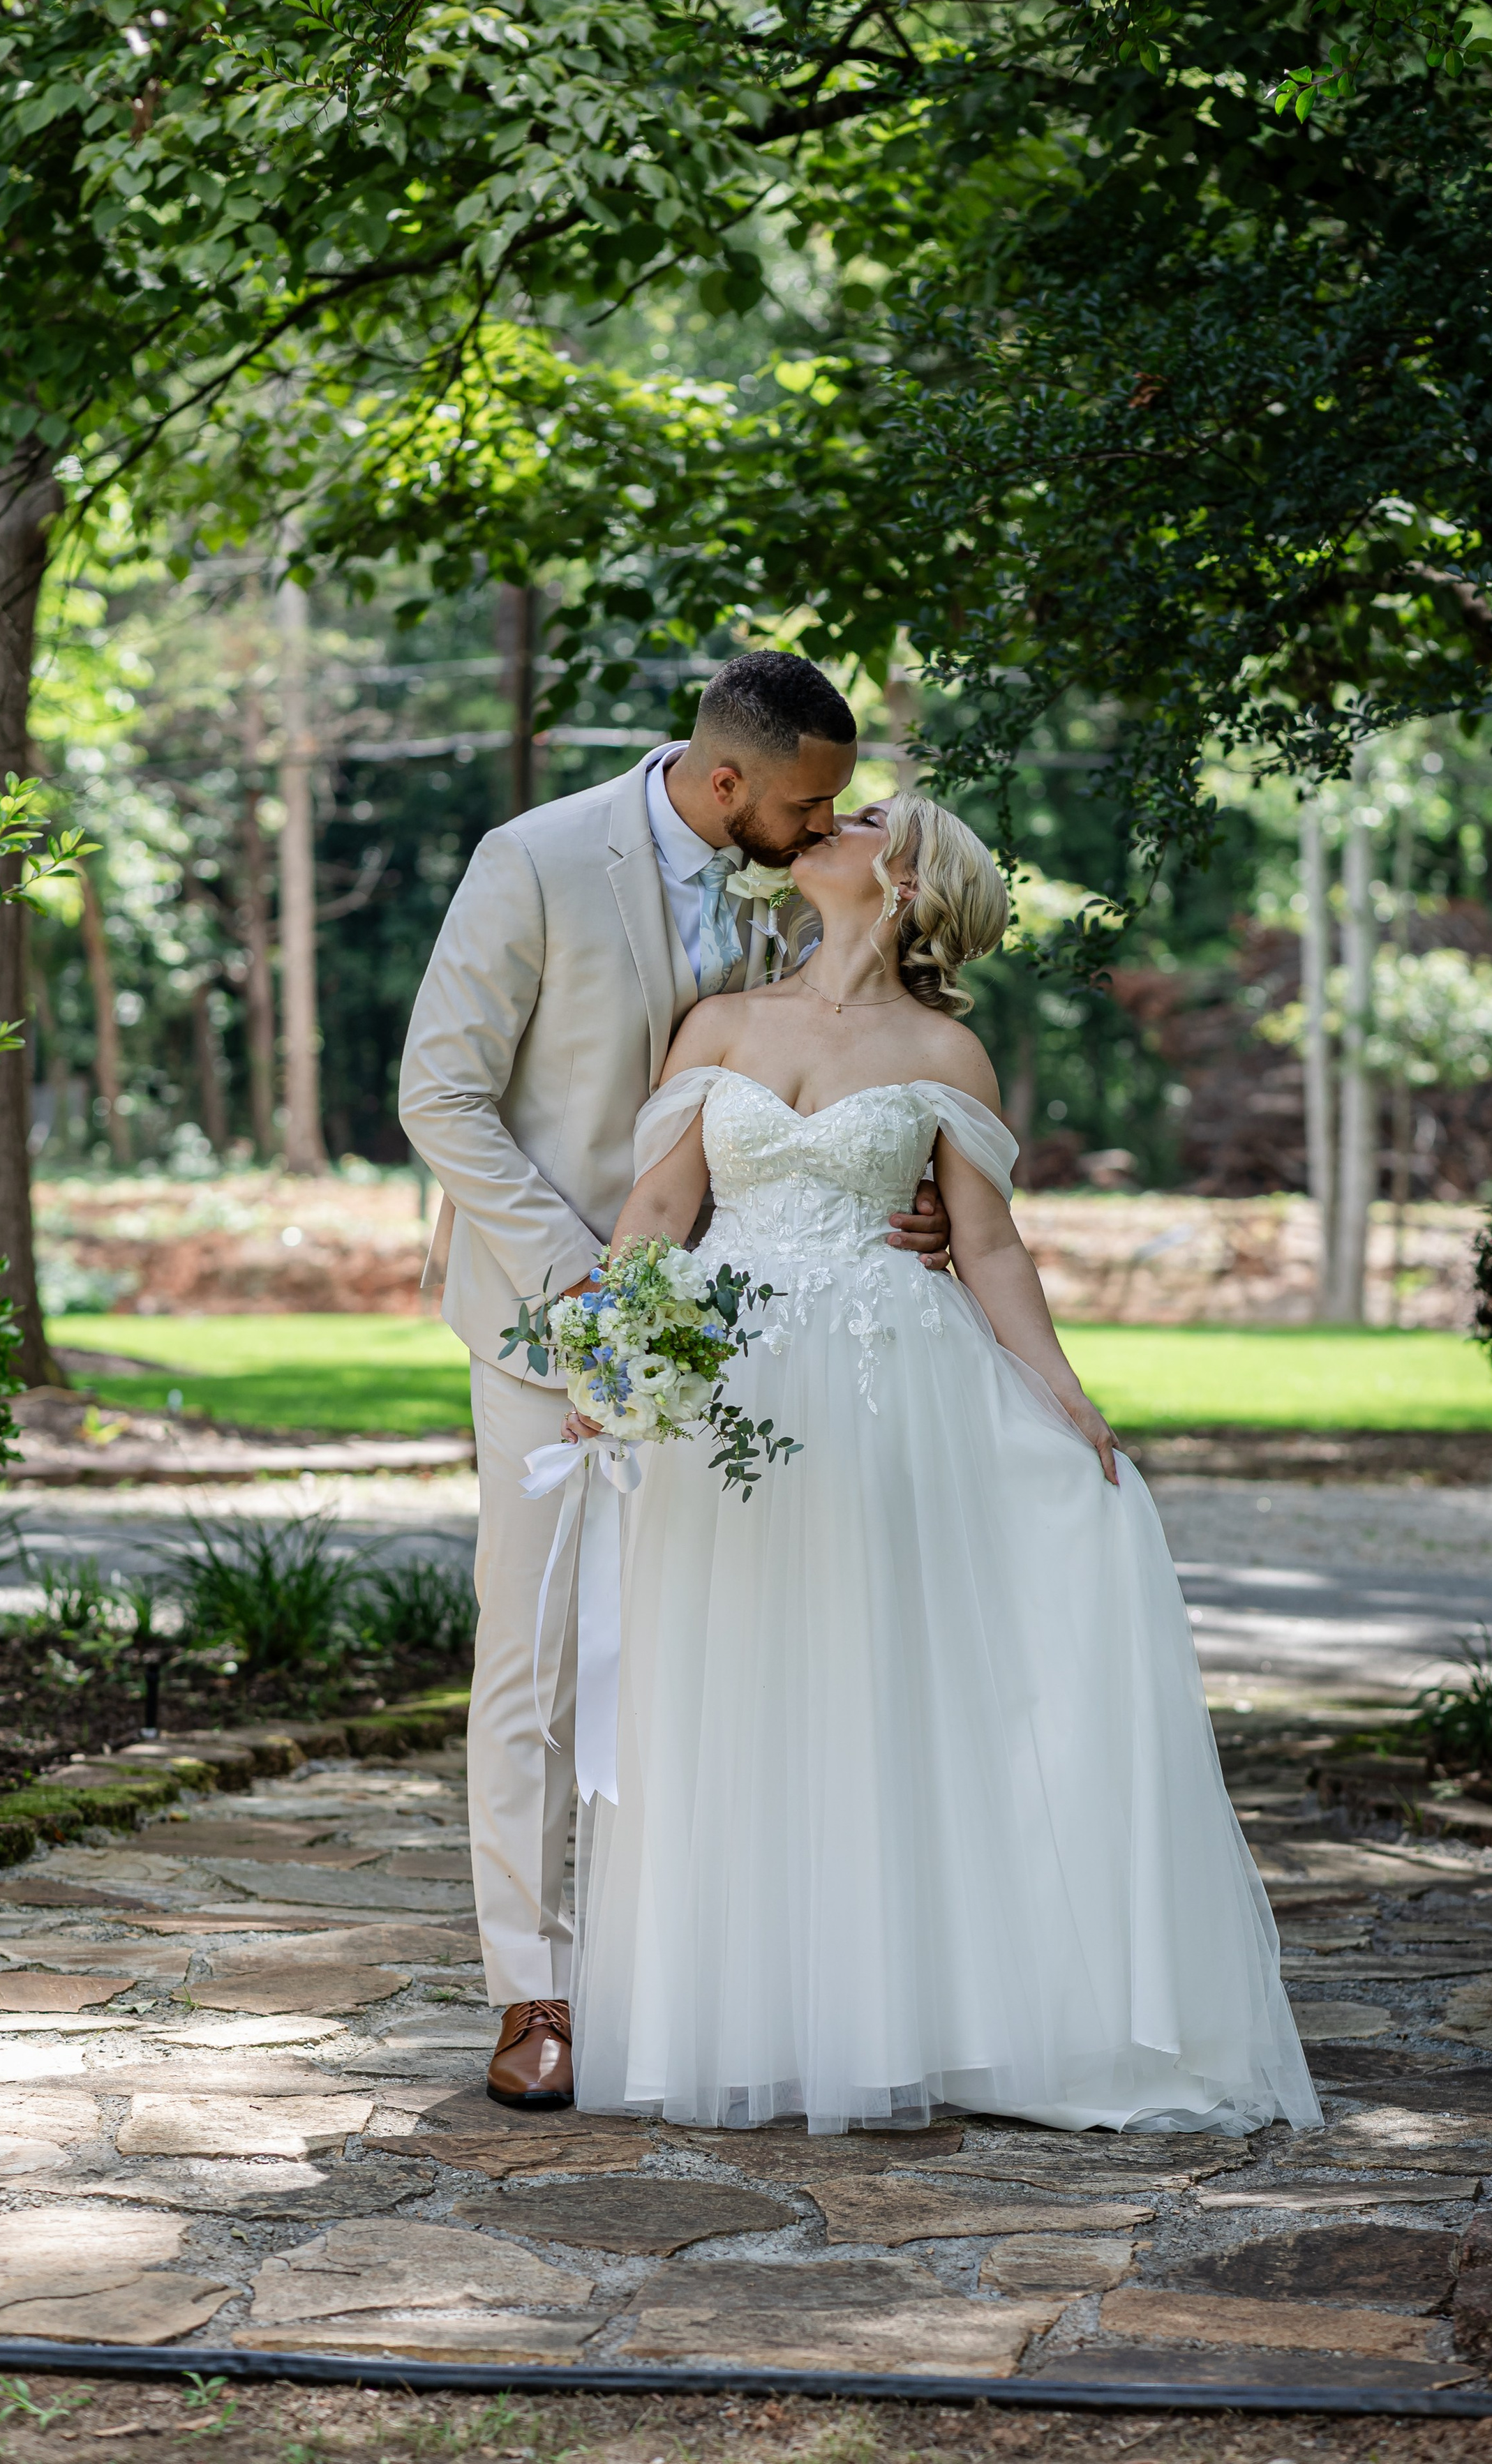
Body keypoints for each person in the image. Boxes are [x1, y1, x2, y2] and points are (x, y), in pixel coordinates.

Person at [565, 792, 1321, 2135]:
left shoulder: (945, 1053)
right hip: (726, 1390)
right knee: (731, 1679)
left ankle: (905, 2011)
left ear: (902, 879)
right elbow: (664, 1206)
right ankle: (743, 2012)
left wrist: (1067, 1395)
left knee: (873, 1678)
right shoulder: (721, 1022)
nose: (830, 822)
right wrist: (611, 1357)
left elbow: (988, 1245)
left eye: (859, 819)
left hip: (885, 1389)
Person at [398, 655, 954, 2109]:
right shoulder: (530, 862)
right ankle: (535, 1991)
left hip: (768, 1334)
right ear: (726, 785)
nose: (829, 821)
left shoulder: (794, 872)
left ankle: (699, 1982)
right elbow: (437, 1093)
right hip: (552, 1315)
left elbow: (838, 1070)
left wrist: (901, 1192)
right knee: (534, 1661)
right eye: (808, 801)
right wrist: (587, 1281)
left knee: (718, 1660)